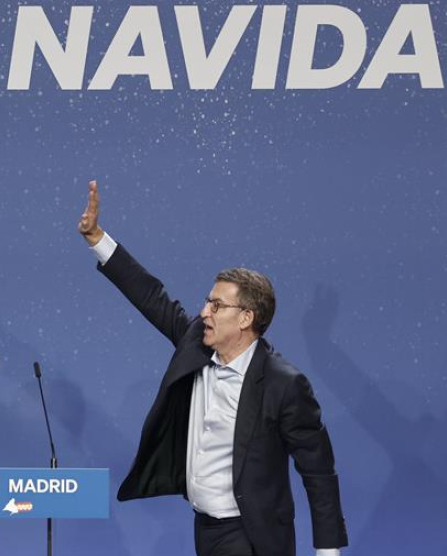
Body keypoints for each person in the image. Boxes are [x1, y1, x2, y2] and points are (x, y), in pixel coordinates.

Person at [77, 181, 347, 556]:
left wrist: (328, 552)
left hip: (252, 535)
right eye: (208, 301)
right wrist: (96, 238)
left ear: (246, 318)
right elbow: (151, 296)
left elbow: (318, 471)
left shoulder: (283, 384)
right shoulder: (197, 344)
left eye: (217, 306)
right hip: (204, 528)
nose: (205, 312)